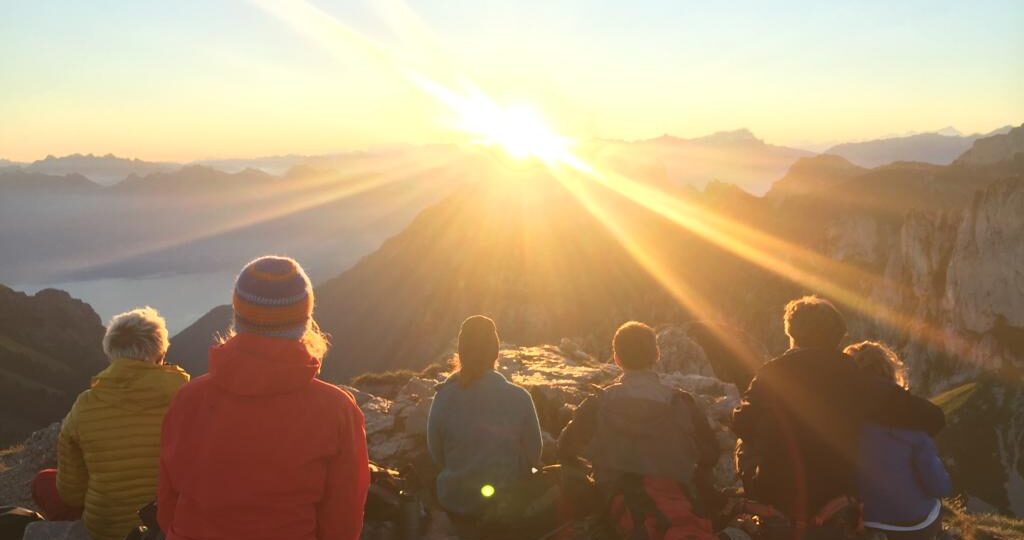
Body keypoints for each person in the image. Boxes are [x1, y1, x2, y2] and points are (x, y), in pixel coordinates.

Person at [158, 256, 369, 540]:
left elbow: (168, 501)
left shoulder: (188, 399)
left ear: (237, 318)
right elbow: (343, 520)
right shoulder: (336, 410)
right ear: (305, 322)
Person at [732, 296, 946, 528]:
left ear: (790, 333)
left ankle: (761, 513)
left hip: (777, 490)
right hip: (835, 494)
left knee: (744, 445)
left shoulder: (771, 374)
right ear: (838, 336)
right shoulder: (856, 378)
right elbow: (932, 418)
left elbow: (741, 424)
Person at [32, 307, 189, 540]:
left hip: (106, 530)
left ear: (111, 353)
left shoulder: (84, 406)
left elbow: (71, 494)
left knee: (44, 481)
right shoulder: (187, 397)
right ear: (161, 354)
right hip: (169, 525)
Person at [558, 321, 719, 540]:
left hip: (613, 508)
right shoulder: (682, 403)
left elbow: (566, 448)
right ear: (656, 355)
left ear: (616, 358)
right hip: (674, 506)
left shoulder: (598, 403)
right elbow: (711, 454)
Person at [427, 315, 543, 538]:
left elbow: (436, 454)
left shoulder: (443, 396)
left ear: (461, 353)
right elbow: (534, 454)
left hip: (456, 503)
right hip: (506, 507)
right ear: (496, 352)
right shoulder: (519, 397)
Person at [846, 341, 950, 539]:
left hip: (864, 521)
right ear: (890, 372)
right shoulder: (912, 422)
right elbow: (939, 486)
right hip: (916, 525)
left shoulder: (839, 421)